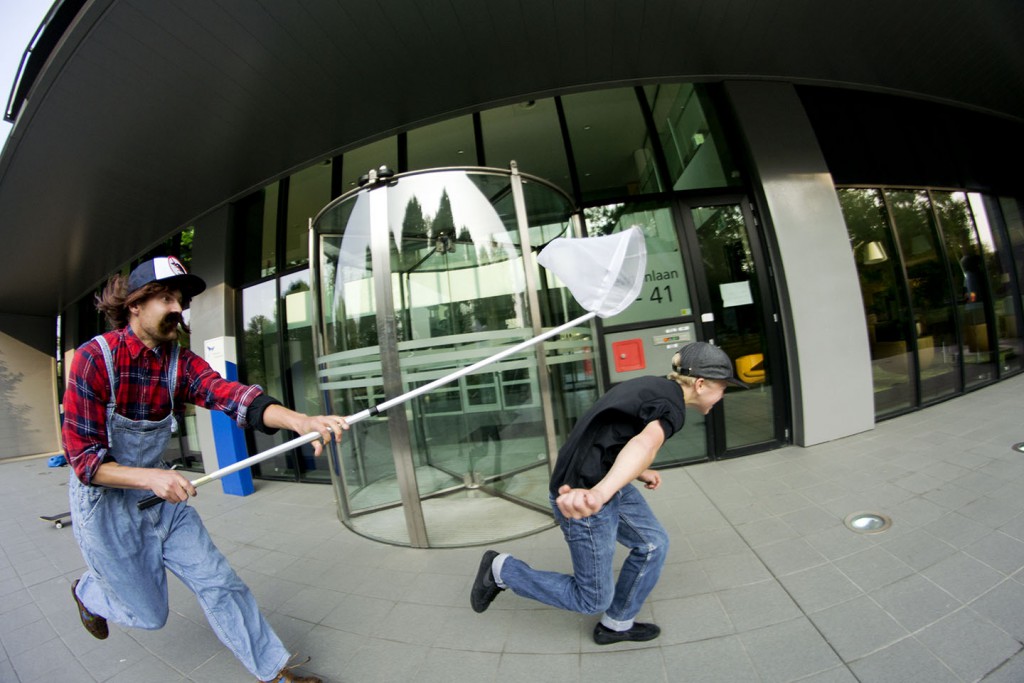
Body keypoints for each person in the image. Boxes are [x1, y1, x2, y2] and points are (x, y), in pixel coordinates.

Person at [62, 256, 348, 683]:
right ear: (135, 305)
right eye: (165, 297)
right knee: (148, 614)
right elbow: (84, 461)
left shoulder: (179, 363)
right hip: (106, 504)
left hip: (164, 504)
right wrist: (151, 477)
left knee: (219, 581)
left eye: (180, 299)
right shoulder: (93, 359)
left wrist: (300, 422)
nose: (177, 307)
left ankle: (273, 671)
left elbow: (230, 394)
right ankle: (90, 592)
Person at [470, 341, 745, 644]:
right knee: (591, 600)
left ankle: (616, 624)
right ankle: (502, 570)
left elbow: (612, 434)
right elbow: (643, 444)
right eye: (723, 388)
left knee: (653, 544)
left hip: (601, 481)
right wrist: (600, 494)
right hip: (584, 495)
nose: (723, 395)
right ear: (701, 383)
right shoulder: (671, 408)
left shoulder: (653, 387)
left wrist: (639, 472)